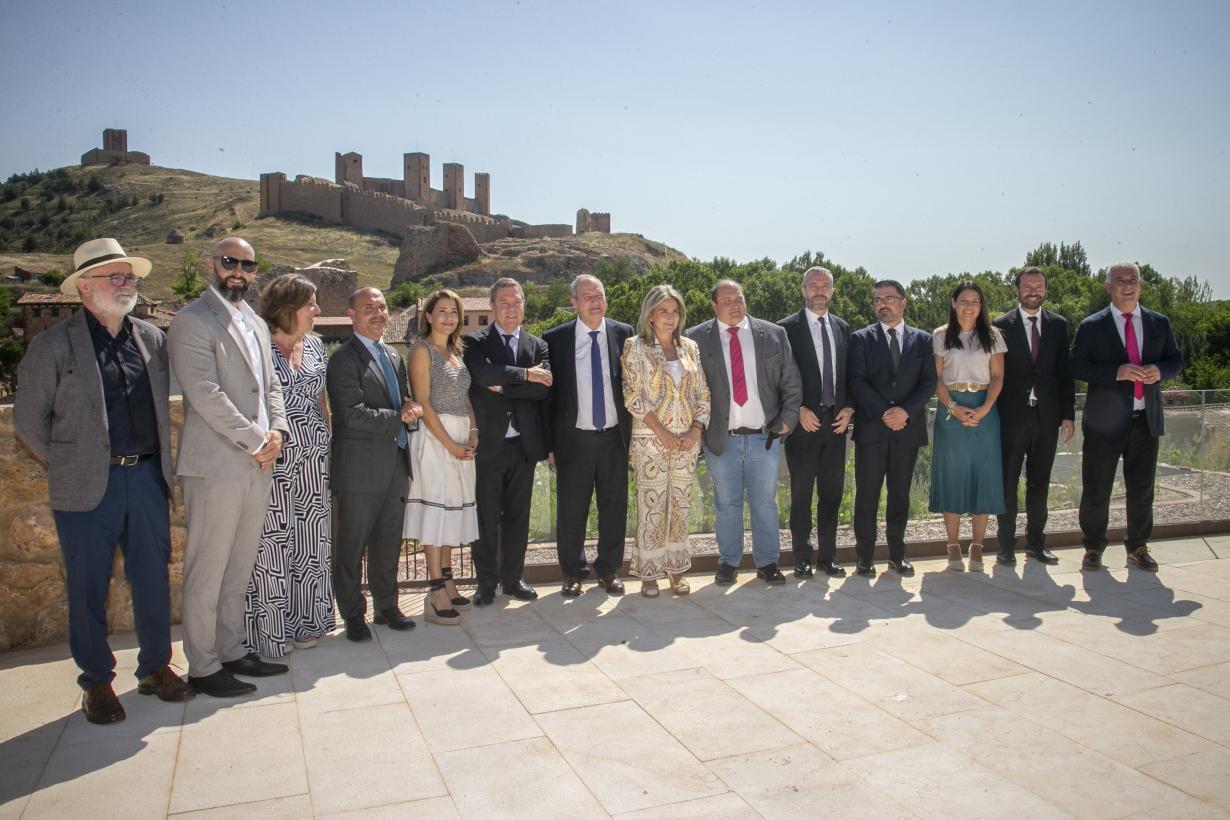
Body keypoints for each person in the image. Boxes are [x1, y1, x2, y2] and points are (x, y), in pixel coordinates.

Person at [14, 238, 191, 724]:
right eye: (116, 277)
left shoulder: (151, 339)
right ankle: (96, 681)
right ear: (84, 287)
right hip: (89, 484)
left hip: (147, 476)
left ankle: (155, 667)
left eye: (130, 276)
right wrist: (69, 462)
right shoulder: (53, 344)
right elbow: (28, 420)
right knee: (88, 584)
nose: (127, 284)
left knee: (152, 577)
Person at [168, 237, 291, 697]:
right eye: (229, 262)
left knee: (239, 565)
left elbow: (272, 385)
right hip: (217, 464)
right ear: (212, 264)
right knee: (208, 568)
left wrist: (277, 430)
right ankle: (202, 666)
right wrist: (257, 439)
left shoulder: (255, 322)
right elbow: (204, 393)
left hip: (259, 462)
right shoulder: (192, 320)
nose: (238, 270)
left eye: (247, 264)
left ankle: (232, 649)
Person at [1070, 262, 1183, 572]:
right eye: (1120, 280)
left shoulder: (1159, 323)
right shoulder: (1092, 326)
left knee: (1142, 489)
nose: (1127, 284)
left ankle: (1138, 547)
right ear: (1109, 287)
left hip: (1145, 419)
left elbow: (1176, 360)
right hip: (1103, 423)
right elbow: (1075, 365)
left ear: (1140, 285)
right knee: (1097, 489)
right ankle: (1093, 547)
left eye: (1133, 279)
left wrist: (1160, 370)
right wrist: (1115, 373)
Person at [243, 274, 335, 657]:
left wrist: (328, 440)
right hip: (272, 457)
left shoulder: (314, 345)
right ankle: (271, 630)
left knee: (311, 539)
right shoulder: (257, 344)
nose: (317, 310)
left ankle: (308, 621)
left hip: (313, 457)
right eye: (310, 304)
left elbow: (321, 400)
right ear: (288, 307)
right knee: (273, 542)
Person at [686, 280, 801, 586]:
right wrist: (696, 429)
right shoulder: (695, 339)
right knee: (727, 504)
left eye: (739, 299)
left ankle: (768, 563)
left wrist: (788, 418)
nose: (735, 305)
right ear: (714, 306)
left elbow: (791, 380)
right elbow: (690, 391)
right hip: (721, 440)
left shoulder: (773, 334)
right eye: (727, 301)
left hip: (765, 438)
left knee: (765, 503)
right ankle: (728, 562)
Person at [327, 287, 423, 640]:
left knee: (388, 541)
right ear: (351, 314)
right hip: (359, 470)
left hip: (395, 463)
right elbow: (351, 415)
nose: (378, 313)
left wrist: (408, 407)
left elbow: (398, 399)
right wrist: (399, 416)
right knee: (351, 546)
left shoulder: (393, 355)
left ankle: (387, 607)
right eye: (368, 308)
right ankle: (353, 614)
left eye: (382, 307)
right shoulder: (343, 359)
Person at [544, 275, 634, 597]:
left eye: (600, 295)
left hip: (614, 438)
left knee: (614, 507)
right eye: (587, 296)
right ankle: (573, 572)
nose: (595, 302)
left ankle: (609, 570)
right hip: (573, 440)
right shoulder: (555, 340)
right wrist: (549, 444)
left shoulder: (625, 334)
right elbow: (548, 398)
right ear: (574, 303)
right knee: (572, 510)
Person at [464, 278, 552, 606]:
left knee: (518, 517)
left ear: (524, 305)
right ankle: (486, 582)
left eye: (516, 302)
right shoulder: (475, 342)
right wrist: (526, 374)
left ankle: (514, 579)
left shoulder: (538, 346)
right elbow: (483, 376)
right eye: (504, 302)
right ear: (492, 307)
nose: (511, 308)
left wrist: (503, 382)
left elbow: (543, 389)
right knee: (486, 518)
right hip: (488, 446)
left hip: (524, 446)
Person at [622, 284, 710, 596]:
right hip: (650, 440)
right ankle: (649, 572)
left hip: (687, 440)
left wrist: (695, 430)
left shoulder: (690, 348)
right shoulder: (635, 347)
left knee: (680, 506)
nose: (670, 317)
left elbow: (702, 393)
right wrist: (661, 432)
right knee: (651, 506)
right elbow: (632, 396)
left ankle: (676, 570)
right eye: (663, 310)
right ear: (650, 314)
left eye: (675, 311)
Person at [848, 280, 938, 577]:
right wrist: (885, 413)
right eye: (877, 300)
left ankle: (897, 555)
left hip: (906, 430)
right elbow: (857, 381)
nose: (882, 304)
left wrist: (904, 412)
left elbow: (928, 382)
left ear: (903, 302)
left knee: (900, 495)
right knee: (867, 496)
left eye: (888, 298)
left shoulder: (923, 340)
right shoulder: (861, 339)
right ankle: (864, 557)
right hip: (872, 431)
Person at [403, 289, 479, 624]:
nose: (449, 317)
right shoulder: (422, 351)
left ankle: (448, 580)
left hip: (460, 437)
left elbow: (466, 399)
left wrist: (473, 433)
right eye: (442, 311)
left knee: (451, 511)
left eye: (454, 312)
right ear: (429, 316)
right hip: (436, 440)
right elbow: (424, 403)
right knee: (436, 512)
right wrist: (450, 444)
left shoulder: (455, 353)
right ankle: (434, 592)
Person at [993, 266, 1075, 566]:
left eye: (1039, 287)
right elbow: (994, 375)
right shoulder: (1000, 325)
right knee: (1007, 483)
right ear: (1016, 289)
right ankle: (1006, 546)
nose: (1033, 292)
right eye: (1027, 286)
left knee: (1040, 483)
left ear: (1046, 290)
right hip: (1011, 417)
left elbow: (1064, 372)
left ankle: (1036, 544)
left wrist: (1068, 415)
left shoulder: (1058, 325)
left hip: (1047, 417)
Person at [778, 266, 855, 578]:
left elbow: (851, 375)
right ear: (803, 290)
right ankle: (801, 558)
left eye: (825, 285)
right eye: (813, 285)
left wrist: (849, 407)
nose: (819, 290)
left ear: (832, 291)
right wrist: (797, 410)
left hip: (836, 424)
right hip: (803, 425)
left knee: (832, 494)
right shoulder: (785, 329)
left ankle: (828, 557)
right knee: (801, 495)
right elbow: (778, 378)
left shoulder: (843, 328)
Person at [930, 282, 1007, 571]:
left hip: (984, 409)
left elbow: (997, 377)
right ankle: (952, 546)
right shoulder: (940, 335)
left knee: (982, 477)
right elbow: (936, 378)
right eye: (964, 301)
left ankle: (977, 547)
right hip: (951, 409)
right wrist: (953, 407)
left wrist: (984, 409)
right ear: (953, 303)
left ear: (981, 305)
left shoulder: (994, 335)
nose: (969, 306)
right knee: (952, 475)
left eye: (975, 301)